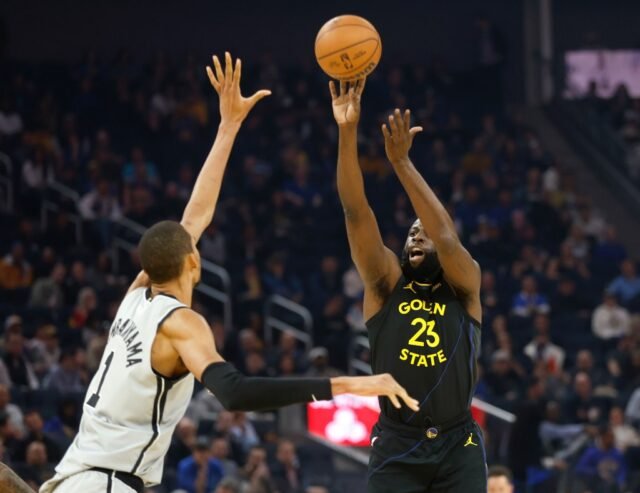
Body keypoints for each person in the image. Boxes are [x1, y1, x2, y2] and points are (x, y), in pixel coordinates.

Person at [40, 53, 418, 493]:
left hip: (75, 477)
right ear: (194, 262)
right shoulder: (180, 323)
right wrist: (353, 383)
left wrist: (228, 125)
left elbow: (194, 217)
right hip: (106, 485)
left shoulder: (135, 296)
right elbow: (236, 392)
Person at [330, 78, 485, 493]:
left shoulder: (465, 285)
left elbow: (446, 237)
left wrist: (401, 163)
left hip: (458, 442)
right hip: (397, 441)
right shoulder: (384, 283)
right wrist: (347, 131)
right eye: (411, 232)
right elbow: (355, 211)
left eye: (424, 232)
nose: (417, 236)